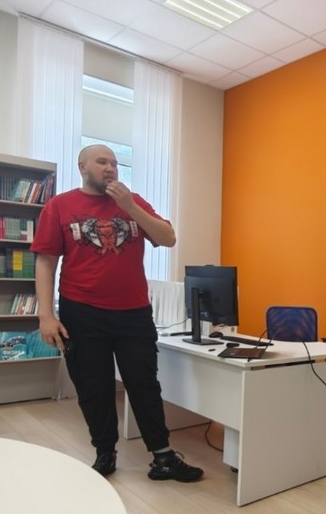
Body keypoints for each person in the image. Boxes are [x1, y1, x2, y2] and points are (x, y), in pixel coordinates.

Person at [32, 144, 203, 482]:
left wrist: (130, 207)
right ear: (82, 167)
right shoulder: (59, 206)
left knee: (144, 384)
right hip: (81, 310)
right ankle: (105, 452)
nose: (110, 167)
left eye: (114, 162)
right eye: (102, 162)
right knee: (93, 387)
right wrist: (45, 315)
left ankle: (163, 456)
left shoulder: (133, 201)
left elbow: (168, 238)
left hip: (133, 311)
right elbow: (46, 261)